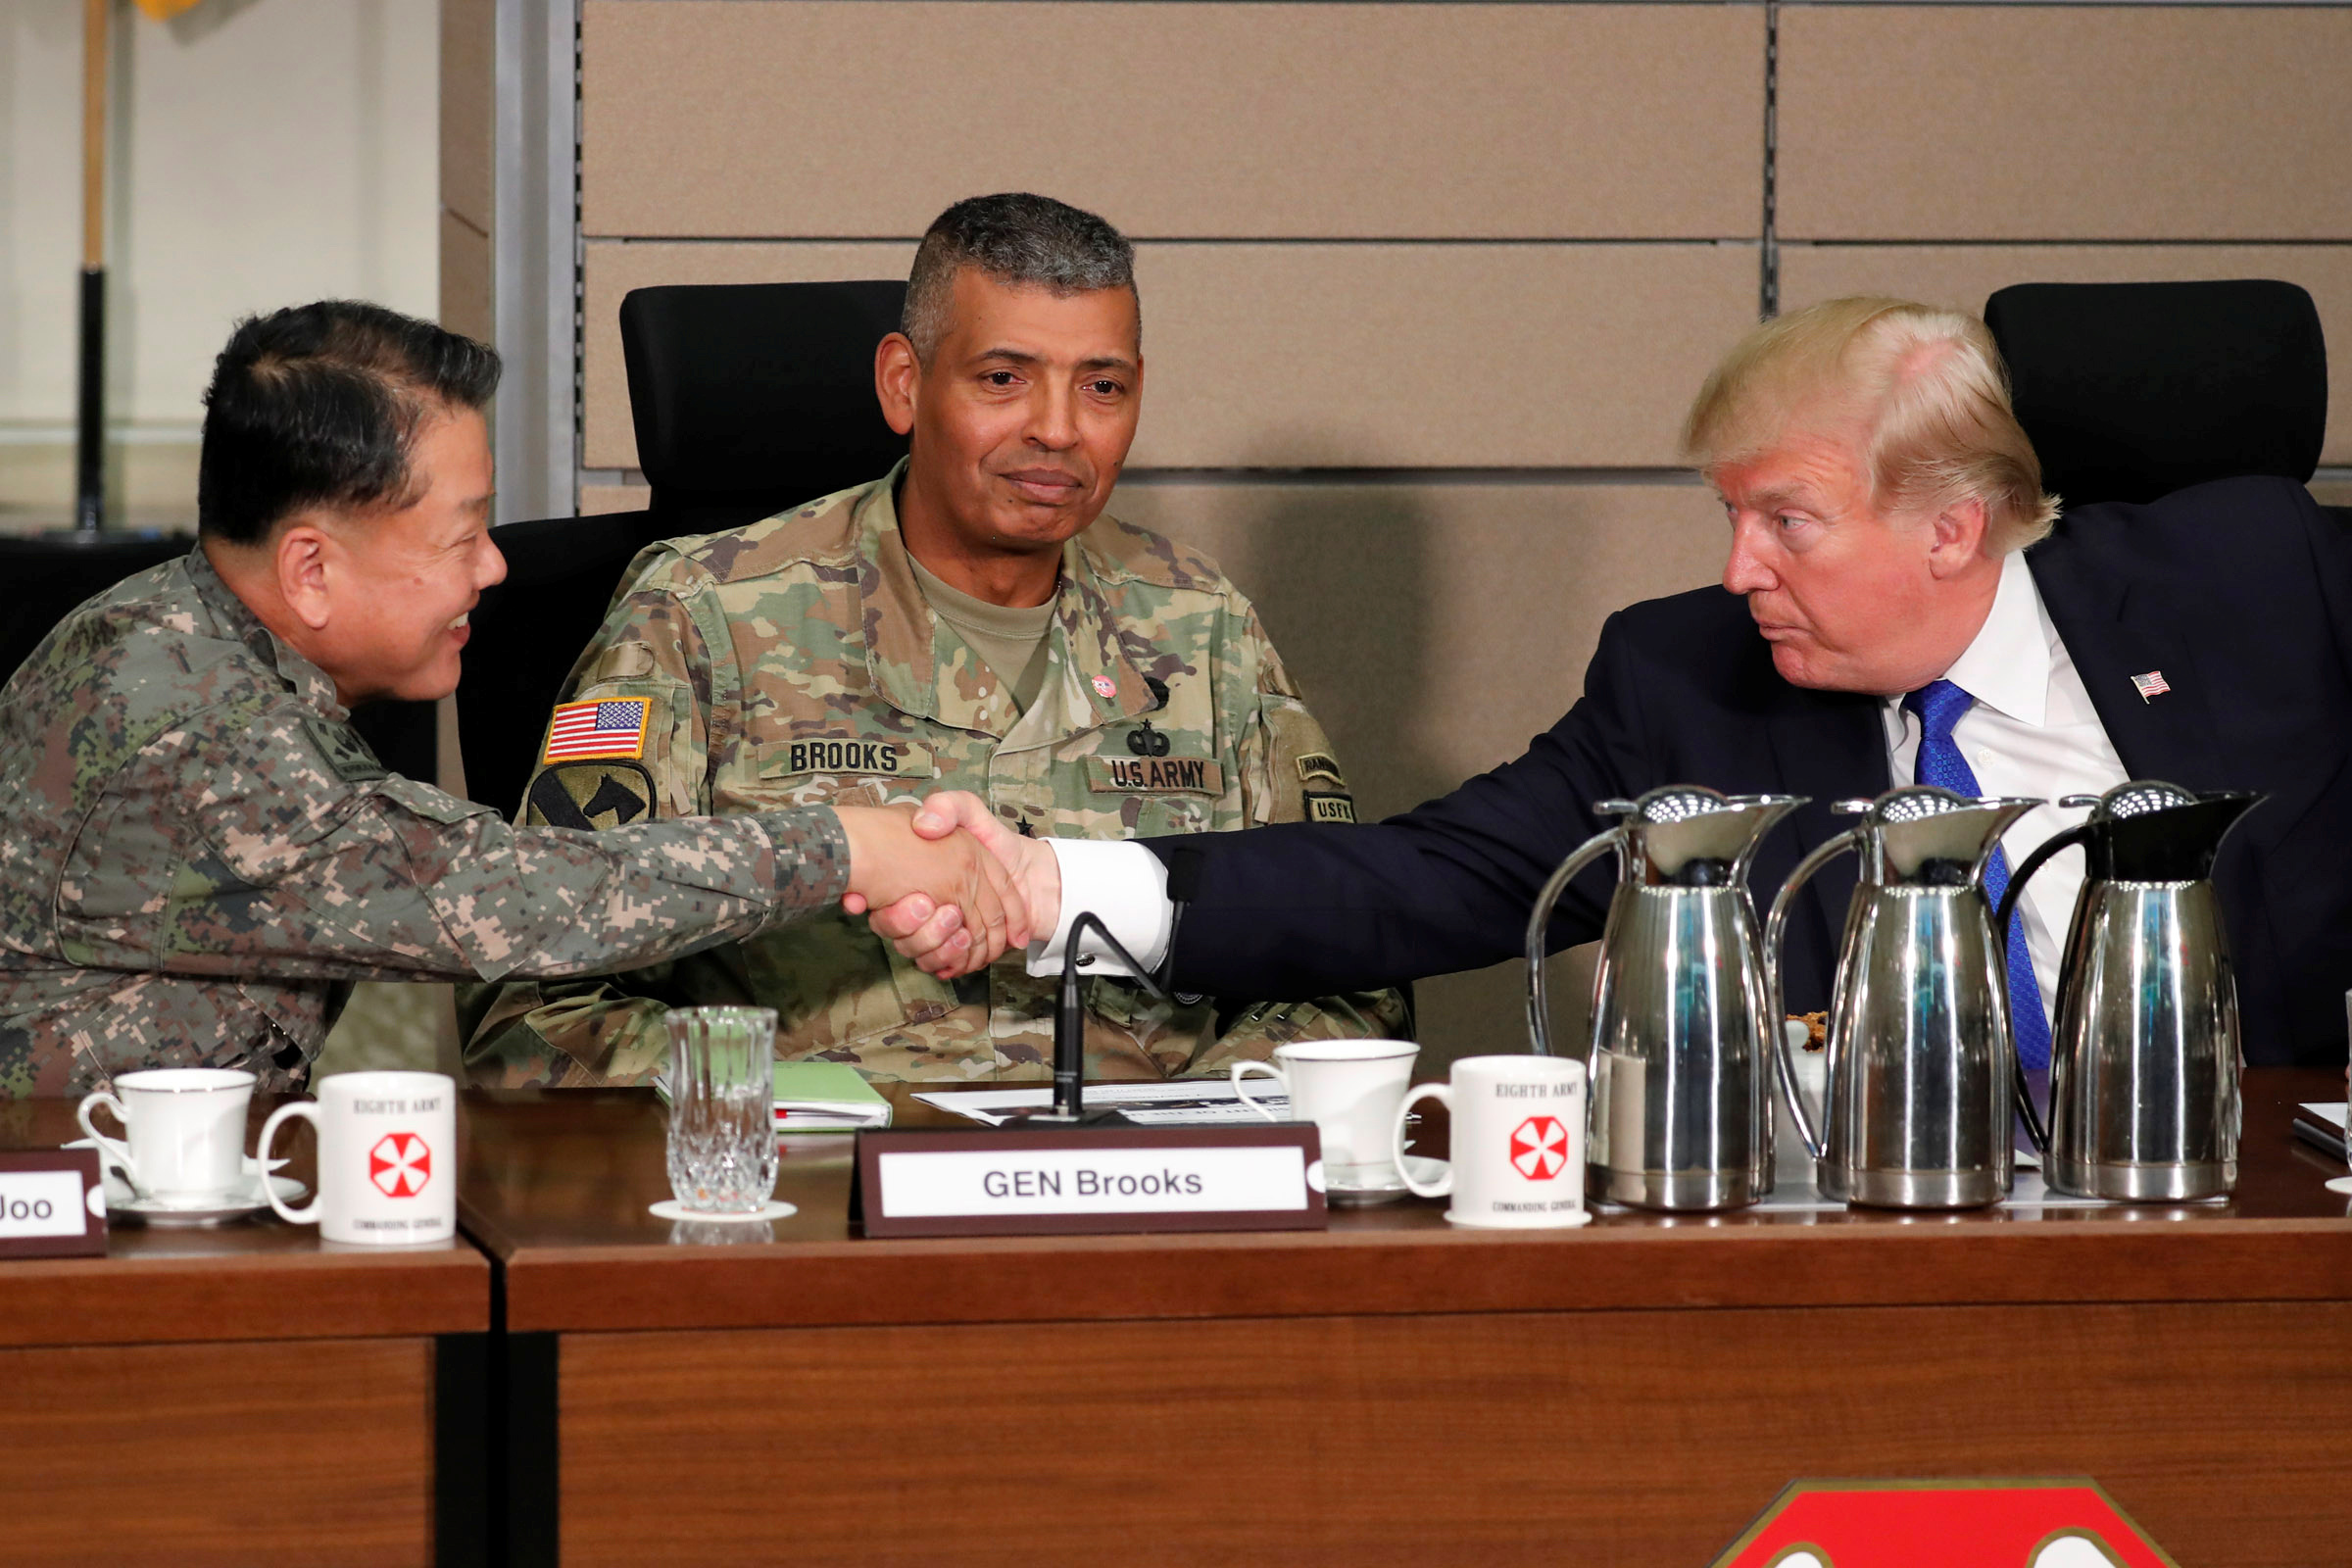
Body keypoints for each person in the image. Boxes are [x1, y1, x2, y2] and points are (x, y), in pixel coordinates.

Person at [890, 296, 2352, 1067]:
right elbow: (1425, 878)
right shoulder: (1693, 680)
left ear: (1950, 525)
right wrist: (1056, 885)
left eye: (1785, 521)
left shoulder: (2256, 582)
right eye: (1729, 516)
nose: (1737, 571)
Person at [460, 193, 1403, 1087]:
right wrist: (790, 1109)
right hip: (815, 1199)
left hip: (1143, 1201)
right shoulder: (704, 614)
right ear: (905, 384)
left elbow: (1352, 962)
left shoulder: (1202, 626)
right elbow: (534, 1000)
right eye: (1004, 379)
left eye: (1102, 386)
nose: (1059, 431)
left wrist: (1198, 1132)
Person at [0, 301, 1021, 1097]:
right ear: (310, 567)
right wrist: (851, 844)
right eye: (461, 535)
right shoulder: (187, 730)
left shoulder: (188, 638)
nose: (494, 567)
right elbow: (517, 901)